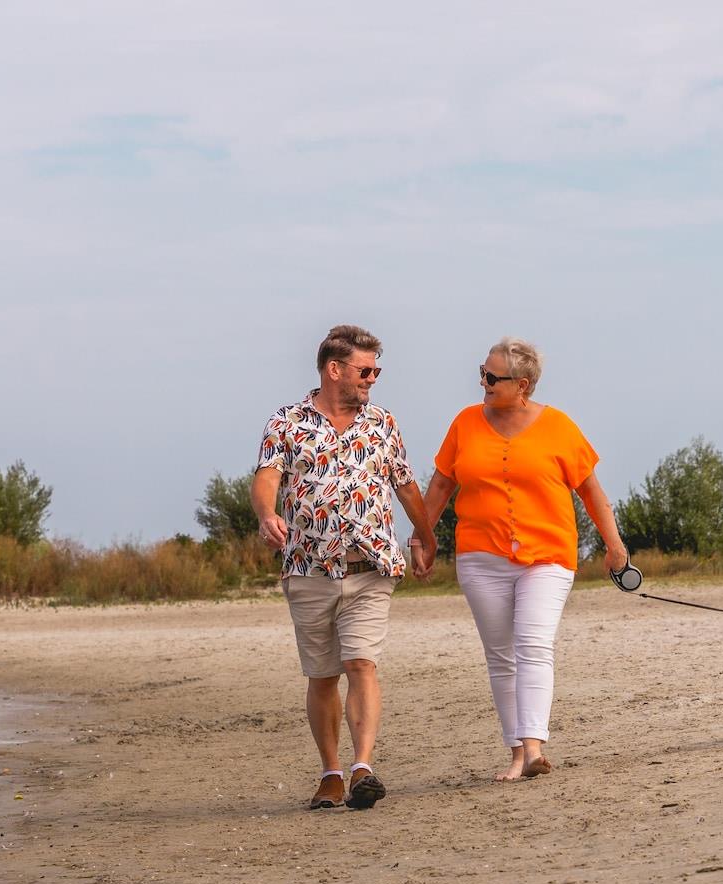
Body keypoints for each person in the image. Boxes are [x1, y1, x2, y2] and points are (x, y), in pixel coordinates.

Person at [413, 338, 629, 781]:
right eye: (482, 372)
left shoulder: (559, 427)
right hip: (480, 558)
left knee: (533, 644)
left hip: (548, 556)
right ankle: (516, 753)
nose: (483, 382)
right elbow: (440, 487)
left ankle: (533, 749)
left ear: (523, 384)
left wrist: (615, 545)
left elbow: (591, 492)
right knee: (500, 656)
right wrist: (422, 538)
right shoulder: (464, 423)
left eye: (493, 377)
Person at [254, 324, 439, 811]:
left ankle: (363, 768)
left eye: (376, 371)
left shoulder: (382, 423)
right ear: (334, 370)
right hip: (309, 569)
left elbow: (404, 484)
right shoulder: (287, 422)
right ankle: (331, 774)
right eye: (365, 370)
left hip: (369, 567)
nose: (372, 378)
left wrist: (425, 534)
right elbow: (267, 477)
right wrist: (267, 514)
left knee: (361, 663)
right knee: (322, 676)